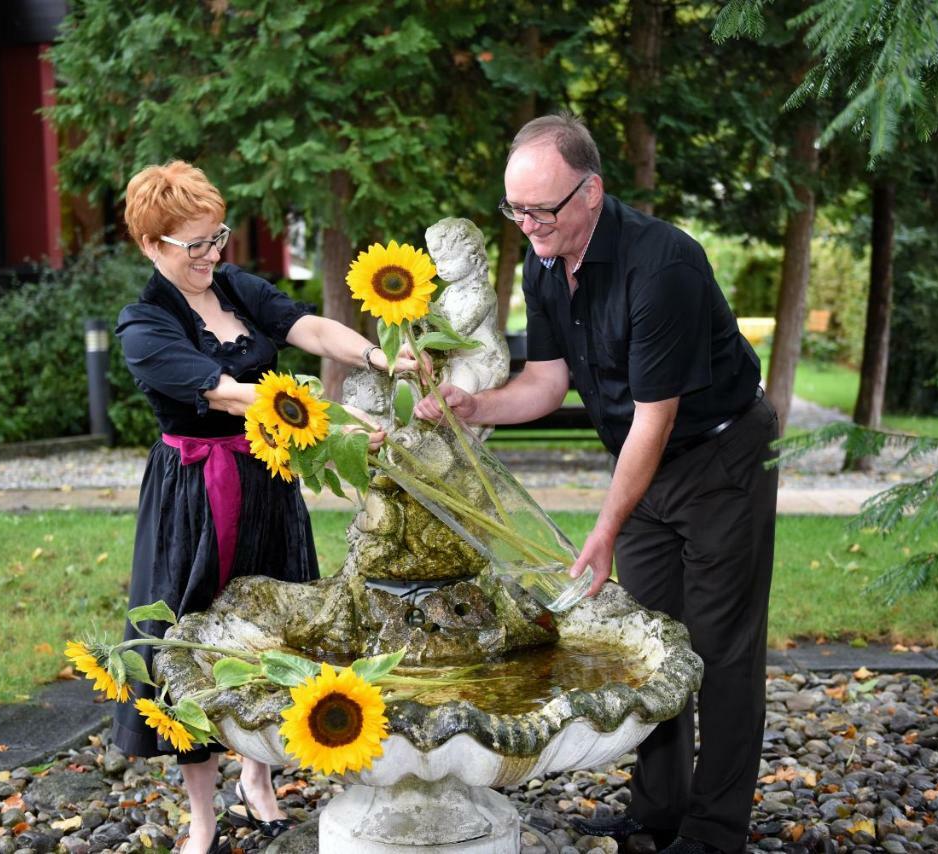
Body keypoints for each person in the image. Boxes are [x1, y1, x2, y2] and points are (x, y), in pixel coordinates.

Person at [413, 114, 778, 854]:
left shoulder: (662, 265)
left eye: (542, 209)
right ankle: (657, 814)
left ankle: (715, 832)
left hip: (720, 459)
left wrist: (605, 528)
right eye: (515, 210)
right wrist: (475, 405)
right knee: (650, 647)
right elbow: (548, 383)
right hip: (645, 467)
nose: (528, 225)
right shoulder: (546, 264)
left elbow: (654, 418)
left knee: (721, 649)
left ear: (592, 193)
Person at [114, 160, 415, 854]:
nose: (213, 254)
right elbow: (228, 392)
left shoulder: (235, 287)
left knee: (278, 629)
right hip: (195, 497)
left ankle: (257, 777)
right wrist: (331, 423)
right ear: (152, 246)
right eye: (195, 245)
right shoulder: (143, 325)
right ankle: (201, 818)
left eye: (217, 237)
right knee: (188, 640)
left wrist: (381, 360)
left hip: (269, 482)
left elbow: (308, 327)